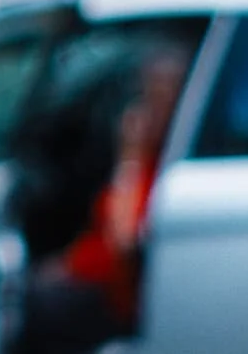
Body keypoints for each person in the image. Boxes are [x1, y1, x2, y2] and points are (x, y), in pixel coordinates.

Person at [11, 48, 188, 354]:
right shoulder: (148, 154)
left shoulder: (165, 161)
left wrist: (129, 154)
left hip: (114, 294)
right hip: (86, 273)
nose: (147, 108)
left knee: (32, 312)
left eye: (159, 95)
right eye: (145, 94)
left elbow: (124, 239)